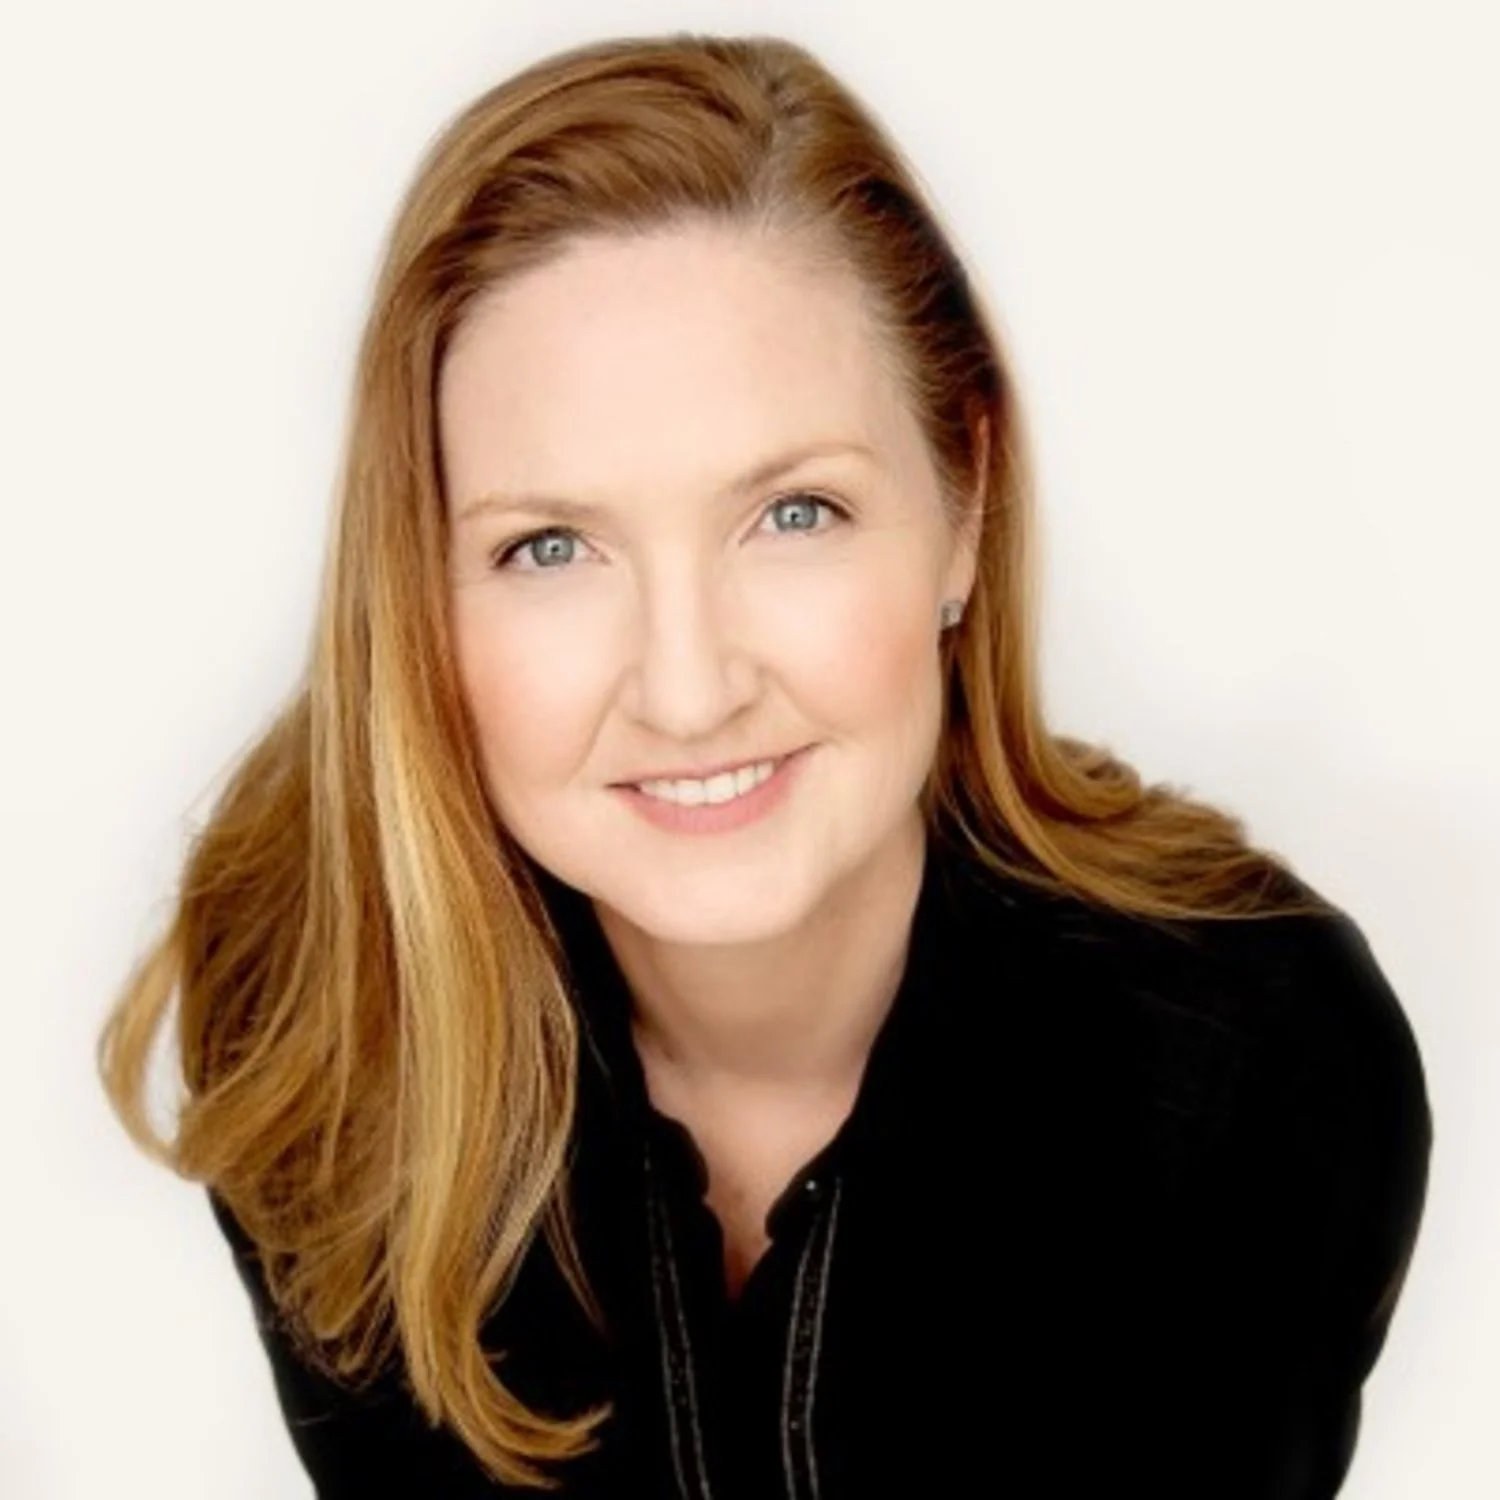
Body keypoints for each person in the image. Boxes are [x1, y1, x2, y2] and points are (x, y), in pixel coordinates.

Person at [96, 30, 1432, 1500]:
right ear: (417, 596)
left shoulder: (1250, 1067)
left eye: (792, 514)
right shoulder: (322, 1013)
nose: (688, 687)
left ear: (964, 502)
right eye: (550, 547)